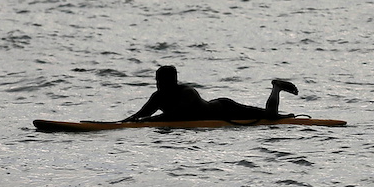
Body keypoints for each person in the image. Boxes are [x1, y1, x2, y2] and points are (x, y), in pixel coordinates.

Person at [123, 65, 299, 122]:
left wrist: (147, 120)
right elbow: (140, 115)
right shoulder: (158, 96)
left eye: (162, 82)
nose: (159, 85)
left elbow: (175, 114)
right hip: (215, 108)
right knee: (273, 116)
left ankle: (276, 87)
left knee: (270, 116)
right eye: (157, 81)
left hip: (224, 109)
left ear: (174, 81)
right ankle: (283, 114)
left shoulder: (187, 92)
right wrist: (122, 122)